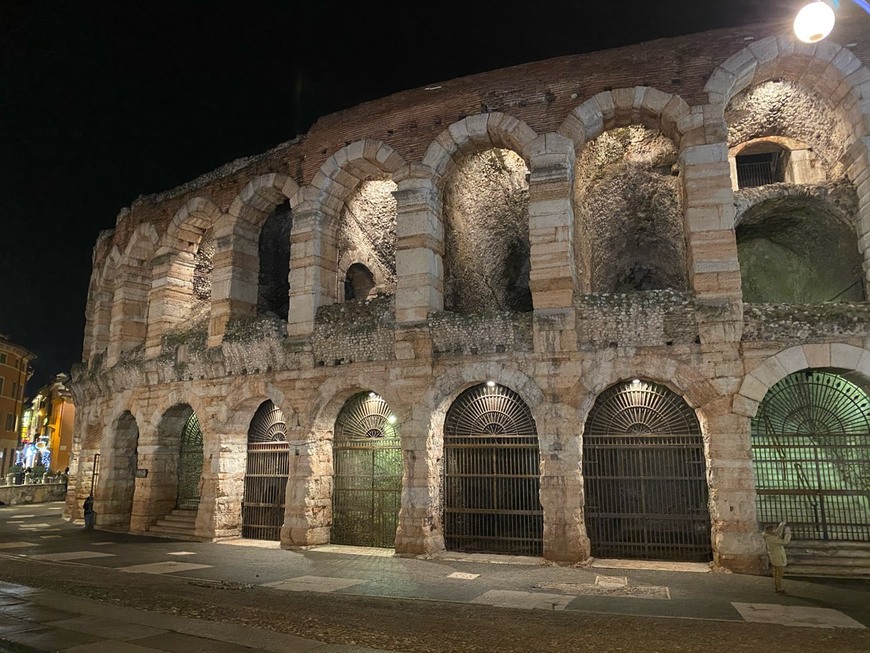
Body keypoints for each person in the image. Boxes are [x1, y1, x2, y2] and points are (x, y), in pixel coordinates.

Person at [762, 521, 792, 594]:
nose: (774, 530)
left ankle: (777, 586)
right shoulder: (771, 538)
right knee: (779, 573)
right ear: (770, 531)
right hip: (777, 556)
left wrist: (781, 526)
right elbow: (785, 542)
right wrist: (788, 533)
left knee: (776, 572)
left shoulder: (769, 536)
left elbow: (777, 533)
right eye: (773, 529)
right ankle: (778, 588)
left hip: (775, 556)